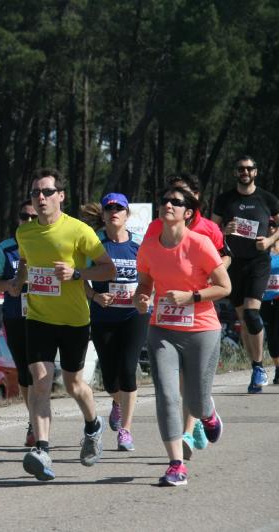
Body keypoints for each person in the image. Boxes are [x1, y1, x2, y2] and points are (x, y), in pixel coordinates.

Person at [9, 168, 116, 481]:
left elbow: (107, 270)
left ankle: (93, 424)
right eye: (35, 193)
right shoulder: (24, 233)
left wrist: (77, 274)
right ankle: (42, 449)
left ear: (60, 196)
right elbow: (26, 262)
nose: (40, 198)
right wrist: (18, 280)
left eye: (47, 192)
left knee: (73, 385)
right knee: (40, 381)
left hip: (73, 321)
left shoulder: (79, 231)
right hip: (38, 317)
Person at [135, 185, 229, 486]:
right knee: (165, 394)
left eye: (175, 202)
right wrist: (141, 298)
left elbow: (225, 287)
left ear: (187, 213)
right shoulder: (149, 246)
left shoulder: (200, 244)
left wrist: (191, 296)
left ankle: (209, 414)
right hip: (163, 329)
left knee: (196, 401)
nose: (167, 205)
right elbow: (145, 283)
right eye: (164, 200)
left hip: (202, 329)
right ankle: (176, 464)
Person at [83, 193, 149, 452]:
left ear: (127, 214)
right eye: (109, 207)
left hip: (134, 315)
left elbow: (150, 277)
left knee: (128, 370)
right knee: (110, 379)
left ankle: (126, 430)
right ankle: (116, 402)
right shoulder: (95, 244)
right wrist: (96, 296)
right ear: (103, 214)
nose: (114, 212)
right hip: (104, 315)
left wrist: (145, 297)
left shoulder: (139, 245)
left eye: (119, 208)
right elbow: (79, 277)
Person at [212, 156, 279, 394]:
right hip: (234, 263)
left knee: (252, 314)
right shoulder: (225, 199)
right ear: (235, 172)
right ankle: (256, 366)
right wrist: (224, 230)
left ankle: (259, 367)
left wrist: (270, 240)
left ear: (256, 172)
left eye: (249, 168)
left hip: (259, 262)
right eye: (241, 168)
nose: (245, 172)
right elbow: (212, 230)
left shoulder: (267, 198)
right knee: (243, 318)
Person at [0, 199, 37, 447]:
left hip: (46, 315)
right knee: (25, 373)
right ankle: (34, 419)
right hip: (16, 316)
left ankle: (40, 421)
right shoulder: (5, 249)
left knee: (40, 370)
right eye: (23, 216)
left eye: (33, 216)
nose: (28, 221)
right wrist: (11, 285)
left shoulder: (48, 244)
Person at [259, 219, 279, 385]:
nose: (271, 228)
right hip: (265, 298)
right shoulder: (260, 248)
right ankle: (278, 367)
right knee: (272, 337)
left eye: (274, 225)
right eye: (268, 225)